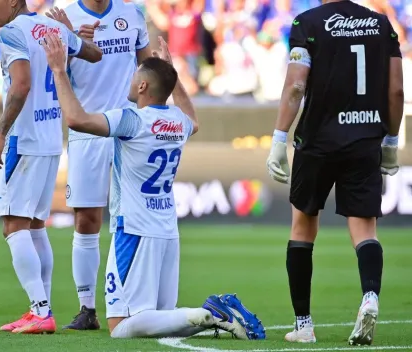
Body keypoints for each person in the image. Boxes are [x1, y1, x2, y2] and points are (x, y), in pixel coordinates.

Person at [42, 33, 266, 340]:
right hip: (166, 230)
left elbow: (76, 119)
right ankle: (215, 317)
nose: (131, 82)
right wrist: (174, 75)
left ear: (143, 86)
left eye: (135, 77)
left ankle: (212, 314)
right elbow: (193, 120)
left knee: (120, 326)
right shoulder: (178, 120)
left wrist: (57, 69)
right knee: (161, 323)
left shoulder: (132, 120)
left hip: (133, 229)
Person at [266, 0, 403, 346]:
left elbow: (297, 86)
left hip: (317, 141)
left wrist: (279, 139)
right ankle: (370, 297)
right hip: (364, 138)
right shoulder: (381, 24)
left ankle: (304, 325)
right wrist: (391, 141)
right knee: (364, 228)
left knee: (303, 224)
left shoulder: (307, 23)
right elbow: (397, 90)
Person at [0, 0, 102, 334]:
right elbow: (94, 55)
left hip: (24, 139)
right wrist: (76, 37)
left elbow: (21, 85)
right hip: (51, 138)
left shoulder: (11, 32)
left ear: (12, 2)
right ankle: (41, 307)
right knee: (35, 225)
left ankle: (41, 310)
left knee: (13, 226)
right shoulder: (53, 28)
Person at [45, 0, 153, 330]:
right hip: (88, 126)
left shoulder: (133, 12)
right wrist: (73, 41)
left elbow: (148, 69)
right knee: (87, 218)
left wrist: (152, 118)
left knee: (133, 216)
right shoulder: (62, 14)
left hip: (129, 128)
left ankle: (135, 300)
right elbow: (50, 74)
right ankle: (87, 307)